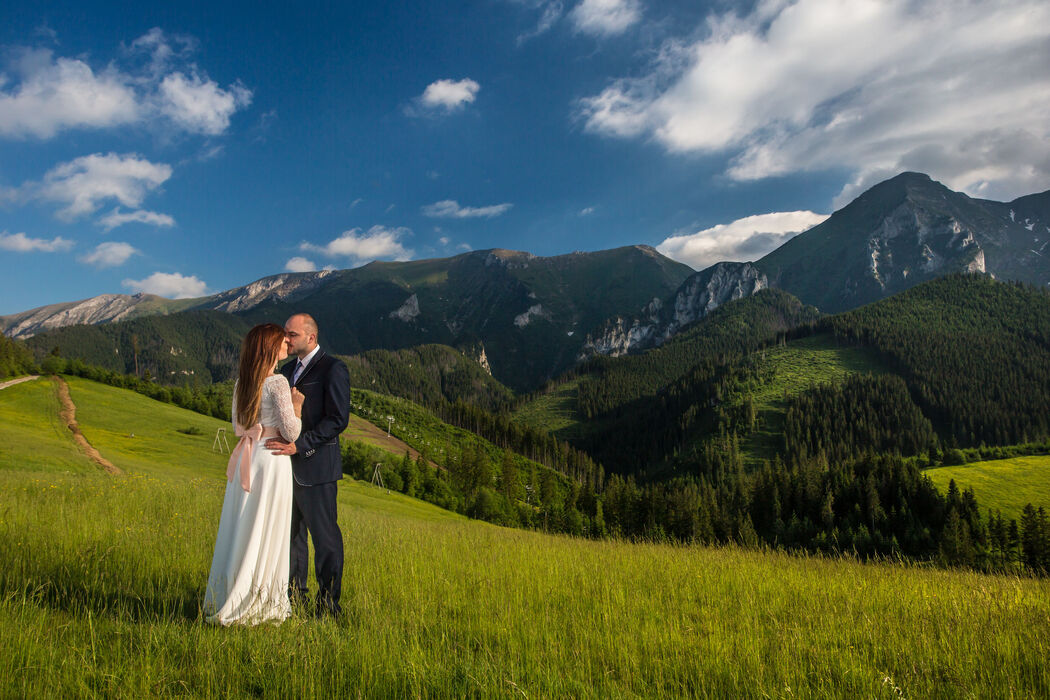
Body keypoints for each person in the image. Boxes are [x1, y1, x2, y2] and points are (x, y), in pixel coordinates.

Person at [204, 323, 304, 626]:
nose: (287, 342)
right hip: (272, 460)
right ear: (270, 348)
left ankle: (232, 591)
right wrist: (298, 406)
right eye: (282, 340)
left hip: (249, 457)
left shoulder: (241, 383)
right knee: (268, 526)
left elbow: (239, 424)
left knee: (244, 523)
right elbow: (291, 431)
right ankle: (261, 600)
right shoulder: (277, 383)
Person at [266, 313, 351, 618]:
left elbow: (338, 420)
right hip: (284, 470)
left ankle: (328, 605)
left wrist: (300, 445)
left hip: (317, 468)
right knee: (291, 539)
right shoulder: (285, 371)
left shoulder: (332, 369)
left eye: (292, 335)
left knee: (325, 539)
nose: (286, 340)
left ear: (311, 338)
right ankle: (294, 599)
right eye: (285, 335)